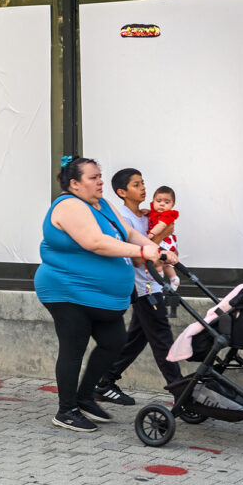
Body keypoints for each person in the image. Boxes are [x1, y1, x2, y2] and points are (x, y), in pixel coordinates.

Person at [35, 156, 164, 432]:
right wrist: (142, 252)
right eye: (93, 177)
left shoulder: (101, 204)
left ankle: (85, 397)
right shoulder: (69, 205)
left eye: (99, 176)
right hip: (67, 290)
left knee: (114, 341)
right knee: (74, 347)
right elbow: (95, 242)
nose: (100, 181)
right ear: (75, 183)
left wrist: (158, 251)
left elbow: (128, 232)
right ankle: (66, 411)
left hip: (99, 296)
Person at [92, 169, 183, 407]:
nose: (143, 188)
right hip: (143, 288)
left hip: (153, 284)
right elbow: (137, 258)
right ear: (122, 192)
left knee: (136, 339)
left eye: (142, 183)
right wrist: (161, 237)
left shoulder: (145, 216)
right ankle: (181, 392)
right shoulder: (124, 220)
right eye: (136, 185)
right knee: (162, 339)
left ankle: (104, 382)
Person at [147, 185, 181, 292]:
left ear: (172, 205)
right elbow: (152, 215)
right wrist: (146, 211)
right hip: (169, 241)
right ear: (153, 201)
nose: (162, 204)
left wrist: (151, 234)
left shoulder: (167, 214)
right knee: (167, 264)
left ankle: (159, 277)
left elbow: (161, 226)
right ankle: (173, 278)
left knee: (158, 259)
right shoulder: (156, 212)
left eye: (167, 202)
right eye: (158, 201)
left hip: (165, 241)